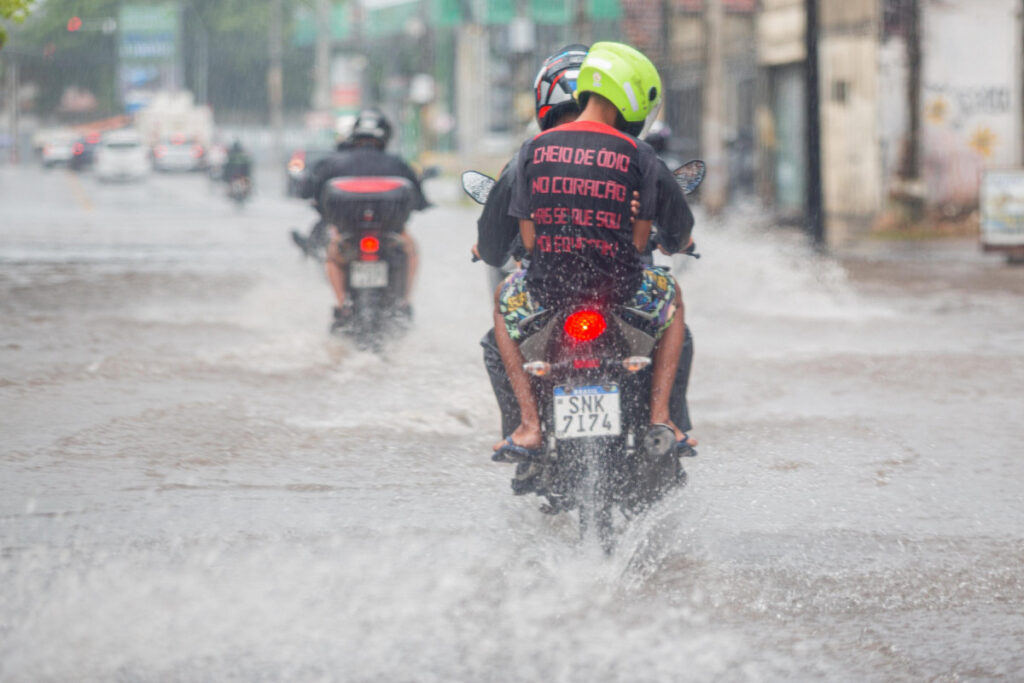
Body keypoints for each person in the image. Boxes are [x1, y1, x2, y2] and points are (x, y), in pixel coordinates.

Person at [476, 44, 698, 456]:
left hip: (547, 290)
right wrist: (674, 240)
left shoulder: (530, 153)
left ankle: (528, 426)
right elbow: (673, 227)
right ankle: (662, 418)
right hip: (622, 290)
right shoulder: (639, 154)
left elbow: (510, 239)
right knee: (674, 301)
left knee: (502, 304)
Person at [299, 107, 430, 329]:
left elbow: (311, 193)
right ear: (385, 137)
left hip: (347, 234)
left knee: (333, 257)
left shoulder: (332, 164)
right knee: (411, 251)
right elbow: (419, 201)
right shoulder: (398, 164)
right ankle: (405, 304)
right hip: (390, 233)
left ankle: (342, 306)